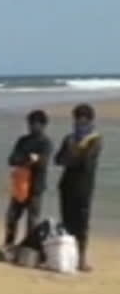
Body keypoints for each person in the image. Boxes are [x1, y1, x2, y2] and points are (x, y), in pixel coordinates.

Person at [55, 103, 102, 272]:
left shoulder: (95, 139)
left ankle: (81, 259)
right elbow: (57, 159)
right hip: (66, 185)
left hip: (84, 187)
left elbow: (86, 163)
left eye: (82, 120)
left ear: (89, 120)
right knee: (67, 222)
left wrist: (71, 156)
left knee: (81, 223)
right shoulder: (69, 138)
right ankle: (68, 257)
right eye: (76, 120)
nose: (78, 123)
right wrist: (72, 155)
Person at [4, 109, 53, 246]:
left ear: (43, 125)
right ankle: (9, 244)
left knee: (32, 221)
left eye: (35, 123)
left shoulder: (46, 143)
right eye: (30, 123)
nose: (31, 126)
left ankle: (28, 248)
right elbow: (11, 160)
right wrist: (29, 159)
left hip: (36, 187)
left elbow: (42, 163)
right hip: (19, 187)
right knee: (11, 217)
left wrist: (28, 160)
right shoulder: (22, 140)